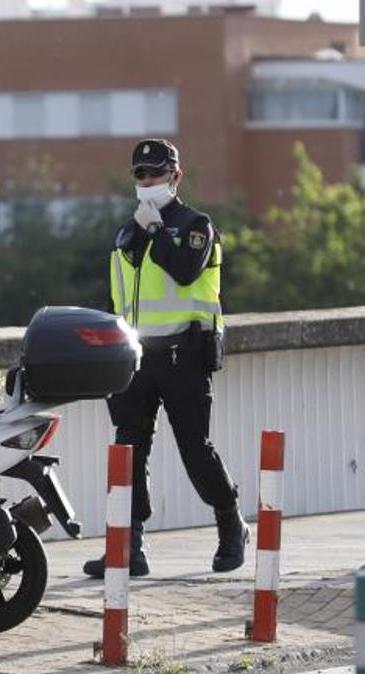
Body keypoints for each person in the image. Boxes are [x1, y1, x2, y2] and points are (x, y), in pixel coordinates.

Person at [84, 139, 248, 579]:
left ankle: (231, 524)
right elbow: (115, 300)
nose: (147, 182)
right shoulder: (127, 232)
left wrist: (157, 231)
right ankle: (127, 548)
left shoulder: (196, 225)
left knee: (195, 449)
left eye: (155, 174)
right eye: (140, 174)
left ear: (176, 176)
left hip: (184, 356)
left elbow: (185, 270)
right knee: (128, 453)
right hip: (137, 359)